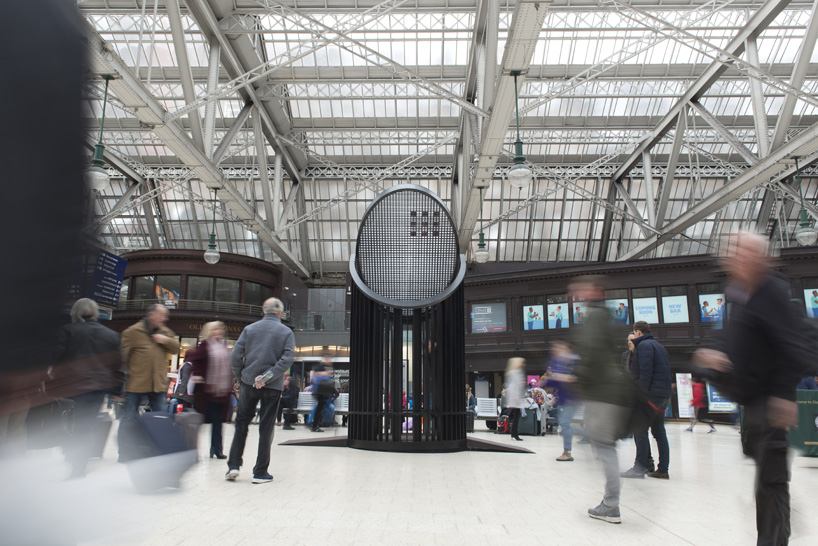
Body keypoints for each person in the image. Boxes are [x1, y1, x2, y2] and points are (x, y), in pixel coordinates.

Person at [694, 232, 810, 545]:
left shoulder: (770, 290)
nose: (733, 254)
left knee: (771, 483)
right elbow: (732, 339)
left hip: (768, 401)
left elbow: (791, 344)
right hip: (753, 402)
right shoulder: (741, 294)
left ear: (760, 257)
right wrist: (715, 354)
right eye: (732, 249)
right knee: (767, 483)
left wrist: (784, 394)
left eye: (743, 250)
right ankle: (776, 534)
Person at [570, 275, 631, 524]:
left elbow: (591, 352)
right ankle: (611, 502)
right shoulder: (603, 315)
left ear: (594, 292)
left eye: (581, 289)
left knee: (604, 447)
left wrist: (579, 380)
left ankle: (611, 505)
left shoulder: (595, 316)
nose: (576, 293)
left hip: (602, 392)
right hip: (608, 390)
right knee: (603, 445)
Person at [226, 298, 295, 484]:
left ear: (263, 311)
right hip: (272, 386)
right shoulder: (286, 332)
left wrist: (243, 377)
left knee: (241, 423)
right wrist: (267, 376)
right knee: (266, 427)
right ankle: (260, 472)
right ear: (280, 312)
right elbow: (287, 358)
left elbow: (235, 356)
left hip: (248, 383)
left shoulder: (250, 329)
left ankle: (233, 465)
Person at [51, 299, 122, 478]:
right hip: (96, 388)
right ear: (95, 313)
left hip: (71, 386)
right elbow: (117, 365)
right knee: (86, 425)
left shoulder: (68, 331)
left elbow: (57, 359)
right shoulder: (111, 335)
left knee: (70, 423)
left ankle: (74, 460)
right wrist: (116, 391)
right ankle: (78, 463)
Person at [622, 321, 672, 480]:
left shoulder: (643, 347)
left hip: (650, 396)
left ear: (637, 332)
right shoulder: (659, 346)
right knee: (659, 432)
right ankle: (662, 469)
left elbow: (645, 373)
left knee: (640, 430)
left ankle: (640, 467)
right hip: (662, 396)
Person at [120, 304, 180, 427]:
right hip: (136, 385)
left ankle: (159, 445)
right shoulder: (133, 332)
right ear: (152, 315)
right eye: (162, 315)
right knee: (128, 418)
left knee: (161, 417)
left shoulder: (164, 332)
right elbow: (122, 358)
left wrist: (165, 340)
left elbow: (175, 348)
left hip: (157, 385)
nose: (165, 319)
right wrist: (119, 385)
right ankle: (125, 445)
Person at [188, 321, 234, 460]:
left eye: (220, 329)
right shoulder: (204, 345)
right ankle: (192, 450)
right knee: (199, 422)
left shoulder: (224, 346)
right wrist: (197, 375)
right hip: (206, 391)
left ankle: (217, 449)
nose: (217, 332)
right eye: (214, 330)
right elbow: (195, 361)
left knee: (218, 422)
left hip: (222, 392)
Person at [541, 342, 579, 461]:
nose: (556, 350)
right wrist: (546, 382)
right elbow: (556, 381)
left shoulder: (573, 361)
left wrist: (558, 378)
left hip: (571, 398)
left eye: (559, 348)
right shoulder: (558, 362)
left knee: (565, 423)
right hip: (564, 398)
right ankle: (591, 436)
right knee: (564, 423)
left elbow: (574, 379)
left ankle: (567, 452)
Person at [309, 360, 335, 432]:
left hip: (321, 393)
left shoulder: (318, 375)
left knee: (319, 409)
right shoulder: (320, 373)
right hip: (320, 393)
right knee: (319, 409)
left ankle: (315, 424)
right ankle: (314, 425)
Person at [504, 358, 526, 441]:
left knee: (515, 416)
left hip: (515, 397)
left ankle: (514, 434)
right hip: (516, 397)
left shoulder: (512, 372)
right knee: (516, 417)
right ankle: (515, 434)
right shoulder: (516, 372)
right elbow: (518, 385)